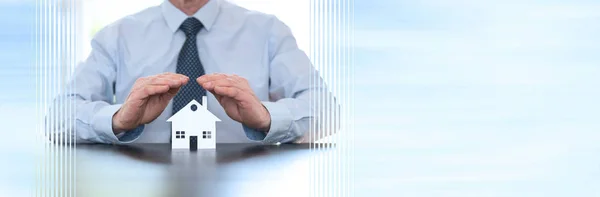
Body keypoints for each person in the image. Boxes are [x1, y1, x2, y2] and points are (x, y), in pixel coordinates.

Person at [54, 0, 334, 144]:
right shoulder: (116, 36)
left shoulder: (270, 32)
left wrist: (266, 117)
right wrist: (117, 120)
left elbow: (327, 110)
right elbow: (58, 118)